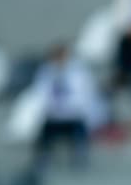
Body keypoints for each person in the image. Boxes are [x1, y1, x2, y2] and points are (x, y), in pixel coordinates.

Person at [30, 43, 106, 171]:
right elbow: (41, 94)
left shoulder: (79, 72)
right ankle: (43, 159)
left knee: (79, 131)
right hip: (53, 116)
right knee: (45, 133)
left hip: (74, 115)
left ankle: (79, 158)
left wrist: (70, 108)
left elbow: (85, 95)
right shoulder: (46, 72)